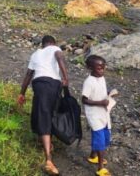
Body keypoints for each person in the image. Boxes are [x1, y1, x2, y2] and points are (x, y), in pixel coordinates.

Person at [18, 35, 70, 176]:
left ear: (42, 45)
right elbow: (60, 57)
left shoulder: (36, 54)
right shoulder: (55, 48)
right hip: (54, 84)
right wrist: (65, 77)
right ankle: (48, 158)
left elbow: (28, 75)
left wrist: (21, 93)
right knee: (50, 113)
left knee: (43, 114)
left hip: (39, 84)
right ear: (52, 43)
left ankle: (48, 151)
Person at [82, 55, 118, 176]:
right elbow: (84, 100)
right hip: (94, 115)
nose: (102, 70)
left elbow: (101, 92)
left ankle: (93, 156)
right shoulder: (89, 82)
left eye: (103, 67)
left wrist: (109, 94)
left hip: (103, 112)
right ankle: (100, 168)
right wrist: (100, 102)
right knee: (100, 139)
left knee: (104, 135)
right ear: (90, 68)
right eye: (99, 68)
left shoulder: (101, 78)